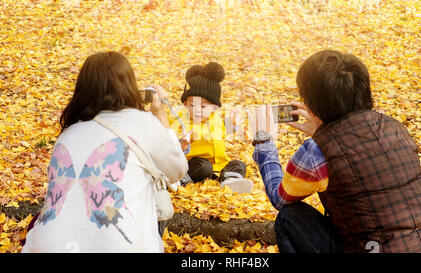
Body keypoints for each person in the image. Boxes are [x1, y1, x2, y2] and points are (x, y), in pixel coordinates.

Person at [252, 49, 421, 253]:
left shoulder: (317, 151)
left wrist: (263, 143)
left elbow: (281, 198)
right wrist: (321, 132)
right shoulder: (395, 127)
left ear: (310, 104)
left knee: (288, 217)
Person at [21, 51, 188, 253]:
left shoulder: (68, 134)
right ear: (130, 87)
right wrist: (161, 115)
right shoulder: (143, 122)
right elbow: (177, 170)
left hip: (48, 245)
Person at [171, 62, 253, 193]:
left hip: (218, 166)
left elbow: (223, 131)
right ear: (185, 104)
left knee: (239, 165)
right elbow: (169, 143)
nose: (197, 110)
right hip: (192, 165)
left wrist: (232, 124)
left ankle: (229, 180)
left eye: (203, 107)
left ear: (214, 108)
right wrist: (181, 144)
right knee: (203, 167)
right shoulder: (181, 121)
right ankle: (183, 180)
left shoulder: (215, 119)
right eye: (192, 105)